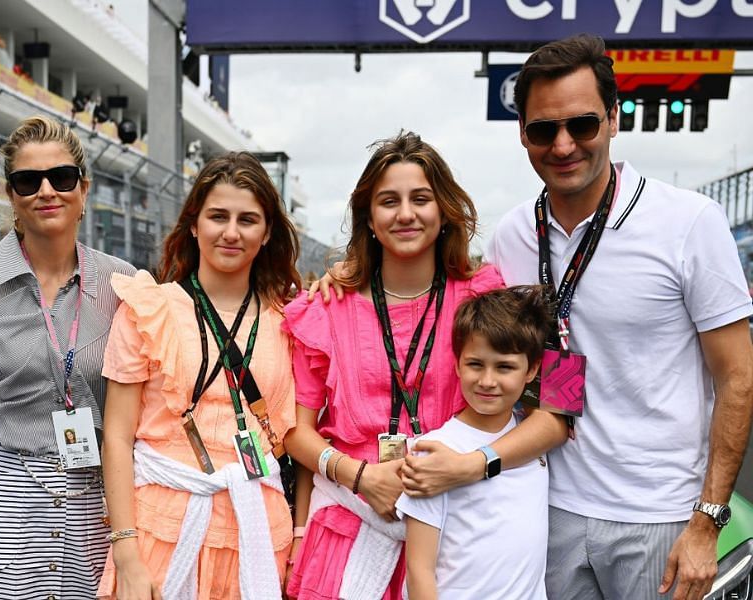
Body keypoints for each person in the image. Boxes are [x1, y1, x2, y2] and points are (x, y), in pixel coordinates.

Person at [488, 34, 753, 600]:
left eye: (581, 125)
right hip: (546, 508)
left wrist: (707, 522)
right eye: (543, 130)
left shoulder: (688, 222)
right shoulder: (511, 236)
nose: (562, 145)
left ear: (612, 118)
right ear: (522, 135)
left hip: (661, 518)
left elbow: (738, 377)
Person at [281, 131, 522, 600]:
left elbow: (546, 413)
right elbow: (295, 430)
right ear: (368, 218)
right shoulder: (328, 307)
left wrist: (467, 466)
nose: (406, 214)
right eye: (389, 201)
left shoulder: (482, 298)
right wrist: (360, 477)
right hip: (350, 525)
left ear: (444, 212)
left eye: (421, 199)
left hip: (458, 527)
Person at [98, 151, 300, 600]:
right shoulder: (149, 308)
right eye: (217, 216)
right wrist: (127, 553)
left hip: (255, 531)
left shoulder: (291, 320)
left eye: (248, 219)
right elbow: (116, 436)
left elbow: (295, 436)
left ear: (267, 233)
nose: (231, 232)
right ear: (194, 224)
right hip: (158, 530)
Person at [0, 114, 135, 599]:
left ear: (83, 188)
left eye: (60, 178)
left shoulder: (123, 284)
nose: (46, 191)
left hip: (96, 498)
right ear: (11, 194)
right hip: (4, 495)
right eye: (27, 180)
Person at [397, 286, 552, 600]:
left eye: (504, 367)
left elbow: (560, 419)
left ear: (532, 370)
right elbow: (418, 570)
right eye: (475, 365)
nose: (487, 381)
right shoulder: (434, 450)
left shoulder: (532, 436)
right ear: (457, 364)